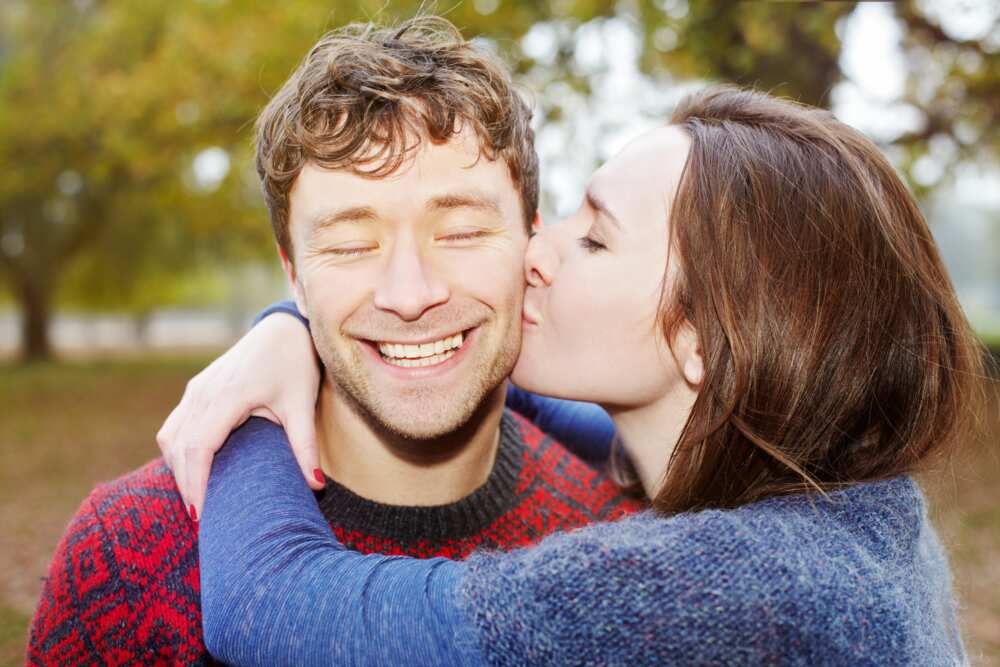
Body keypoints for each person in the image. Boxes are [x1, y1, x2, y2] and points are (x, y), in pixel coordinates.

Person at [186, 86, 984, 664]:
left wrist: (251, 408)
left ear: (702, 338)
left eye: (594, 239)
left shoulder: (737, 590)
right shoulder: (848, 502)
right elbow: (578, 427)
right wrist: (306, 331)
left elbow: (272, 605)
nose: (536, 252)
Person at [26, 18, 640, 665]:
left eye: (459, 231)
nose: (410, 292)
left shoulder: (626, 529)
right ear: (293, 274)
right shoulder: (128, 555)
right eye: (350, 244)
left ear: (531, 244)